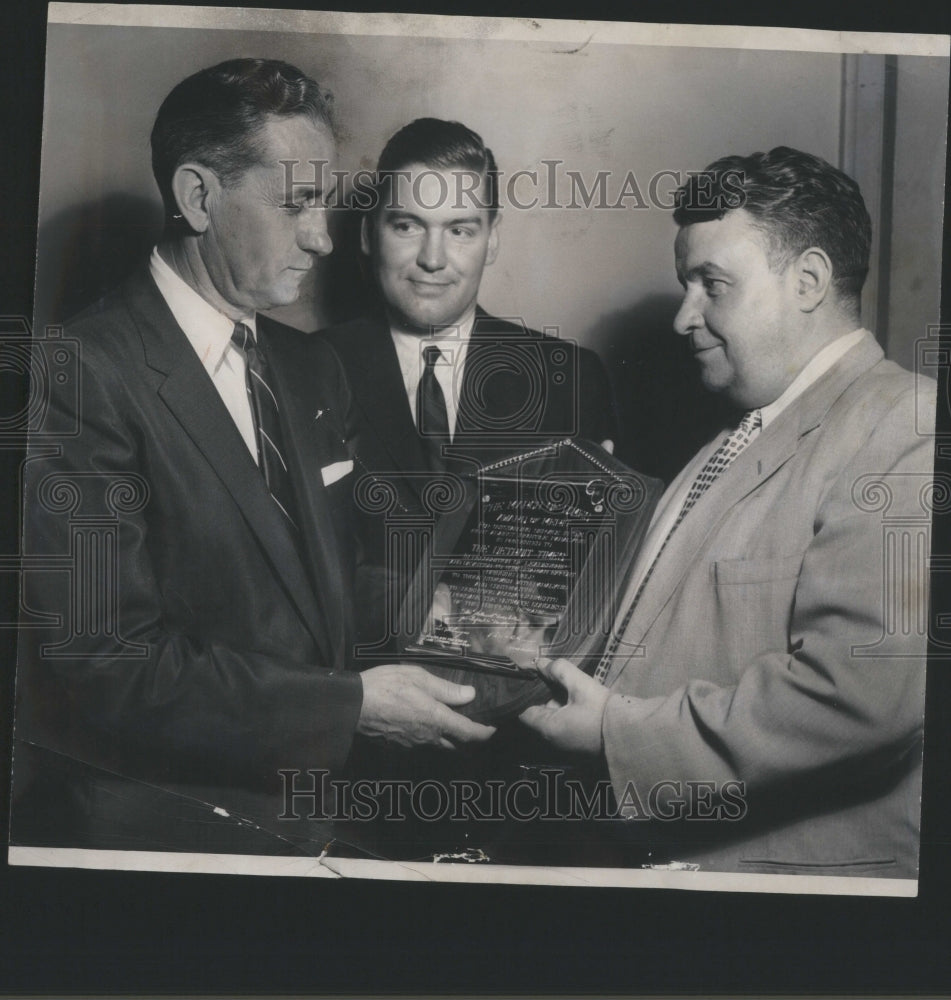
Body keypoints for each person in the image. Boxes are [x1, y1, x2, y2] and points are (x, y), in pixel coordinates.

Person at [11, 59, 493, 856]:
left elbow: (328, 583)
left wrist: (473, 635)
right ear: (198, 196)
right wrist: (350, 709)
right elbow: (105, 664)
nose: (324, 237)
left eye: (326, 205)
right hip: (157, 841)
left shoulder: (309, 366)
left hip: (318, 823)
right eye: (297, 203)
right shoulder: (78, 372)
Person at [520, 147, 935, 878]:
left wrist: (615, 733)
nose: (685, 317)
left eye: (712, 284)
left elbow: (862, 695)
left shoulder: (907, 423)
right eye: (686, 285)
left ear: (807, 281)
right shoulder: (732, 435)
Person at [319, 118, 618, 655]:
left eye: (460, 229)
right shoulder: (303, 371)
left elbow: (594, 583)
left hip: (516, 721)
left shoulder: (569, 378)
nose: (433, 258)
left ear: (493, 238)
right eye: (407, 226)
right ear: (368, 234)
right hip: (358, 709)